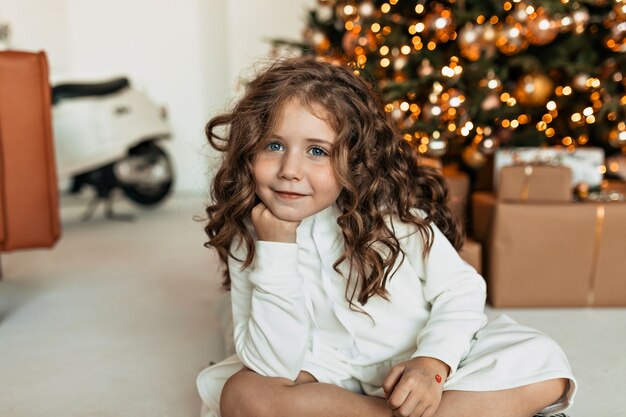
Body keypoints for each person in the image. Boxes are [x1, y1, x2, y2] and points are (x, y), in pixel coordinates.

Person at [196, 56, 576, 417]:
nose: (290, 170)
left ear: (356, 158)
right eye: (274, 146)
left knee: (544, 363)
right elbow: (271, 364)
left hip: (418, 360)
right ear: (248, 149)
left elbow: (460, 292)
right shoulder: (252, 235)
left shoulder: (394, 216)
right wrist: (276, 248)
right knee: (243, 395)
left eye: (317, 151)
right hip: (327, 376)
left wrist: (433, 365)